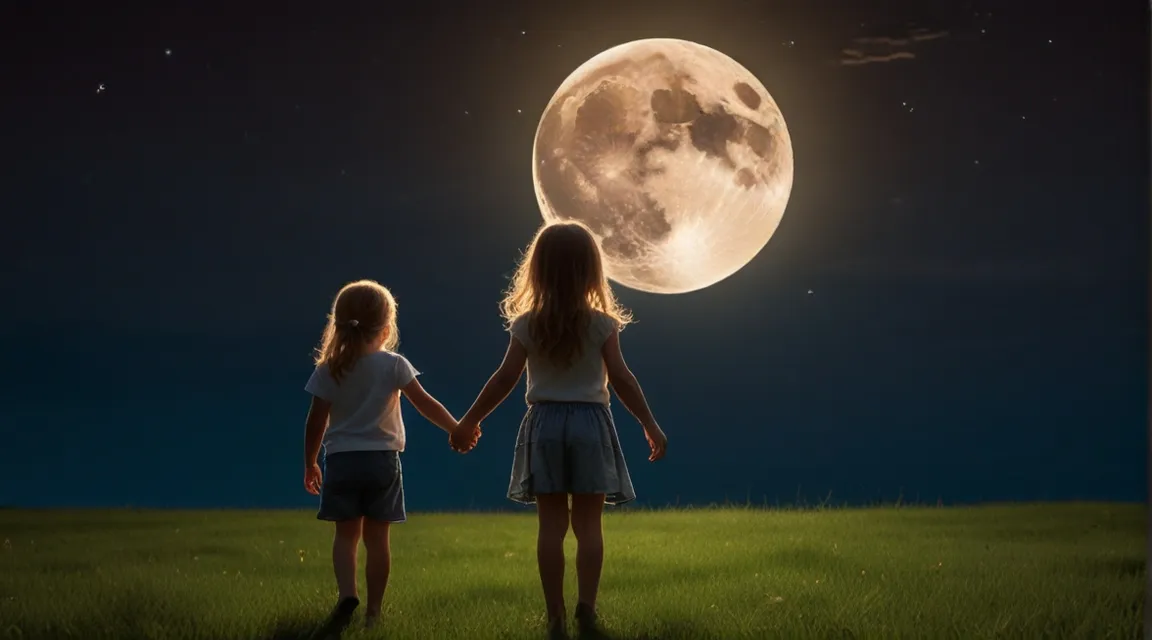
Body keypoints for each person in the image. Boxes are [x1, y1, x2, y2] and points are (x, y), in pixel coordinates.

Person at [451, 221, 668, 639]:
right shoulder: (603, 325)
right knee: (589, 526)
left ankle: (555, 617)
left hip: (544, 425)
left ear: (538, 270)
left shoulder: (527, 324)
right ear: (591, 270)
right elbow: (622, 379)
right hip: (591, 424)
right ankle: (586, 608)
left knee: (551, 527)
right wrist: (650, 424)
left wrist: (470, 420)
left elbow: (504, 379)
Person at [302, 279, 465, 631]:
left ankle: (347, 594)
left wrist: (310, 462)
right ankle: (373, 612)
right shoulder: (394, 365)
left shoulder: (328, 369)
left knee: (346, 537)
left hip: (342, 462)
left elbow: (315, 421)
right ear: (386, 327)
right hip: (382, 463)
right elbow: (425, 404)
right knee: (378, 541)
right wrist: (456, 427)